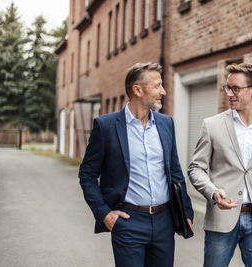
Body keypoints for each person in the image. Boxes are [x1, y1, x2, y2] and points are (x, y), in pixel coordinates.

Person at [79, 62, 193, 267]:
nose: (163, 91)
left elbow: (175, 171)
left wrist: (186, 212)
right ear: (138, 90)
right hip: (128, 223)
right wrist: (104, 214)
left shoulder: (166, 123)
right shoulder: (106, 126)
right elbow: (87, 174)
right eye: (157, 86)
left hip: (164, 222)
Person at [188, 63, 252, 267]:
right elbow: (196, 168)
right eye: (228, 88)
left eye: (236, 88)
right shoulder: (212, 125)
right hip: (221, 217)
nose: (230, 94)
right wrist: (213, 192)